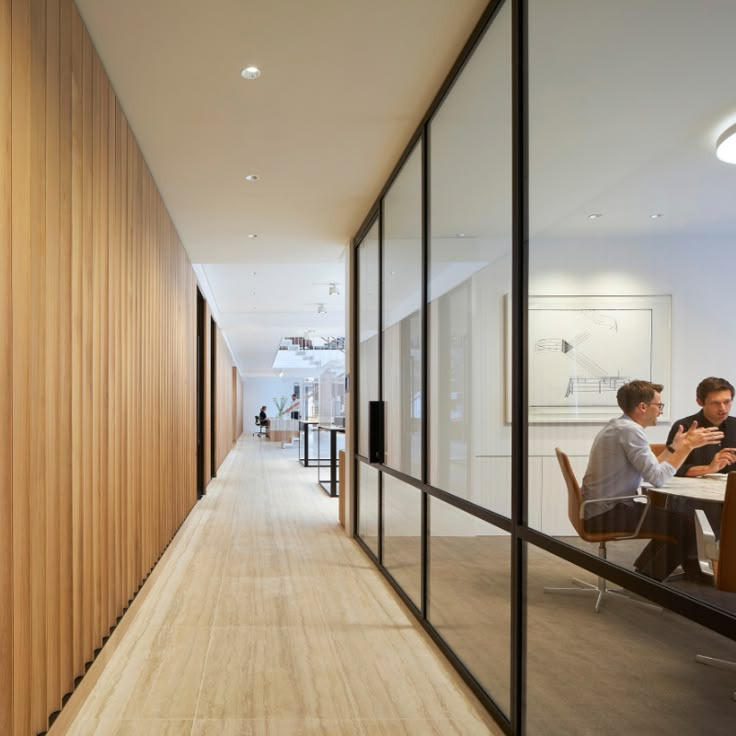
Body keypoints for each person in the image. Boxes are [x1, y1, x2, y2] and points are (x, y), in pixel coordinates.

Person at [581, 380, 723, 581]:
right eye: (659, 406)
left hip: (599, 508)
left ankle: (644, 576)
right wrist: (687, 448)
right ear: (643, 407)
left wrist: (674, 447)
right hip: (607, 513)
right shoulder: (630, 431)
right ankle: (649, 583)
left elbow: (653, 467)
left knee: (679, 522)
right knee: (687, 526)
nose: (661, 411)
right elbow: (657, 478)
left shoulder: (620, 426)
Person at [664, 376, 736, 543]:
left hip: (728, 492)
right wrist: (708, 468)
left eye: (727, 402)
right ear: (699, 401)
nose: (723, 408)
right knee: (707, 511)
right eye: (715, 403)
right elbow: (671, 469)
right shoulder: (684, 427)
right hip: (694, 495)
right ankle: (699, 561)